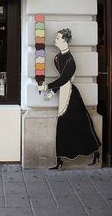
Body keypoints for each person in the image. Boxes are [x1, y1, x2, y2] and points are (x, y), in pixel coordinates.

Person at [37, 28, 101, 170]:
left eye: (58, 38)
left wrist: (47, 87)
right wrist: (53, 92)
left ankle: (94, 152)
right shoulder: (57, 58)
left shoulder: (70, 61)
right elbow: (62, 80)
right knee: (65, 126)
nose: (55, 40)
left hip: (72, 96)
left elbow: (65, 79)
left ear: (65, 41)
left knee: (79, 125)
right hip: (64, 93)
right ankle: (60, 160)